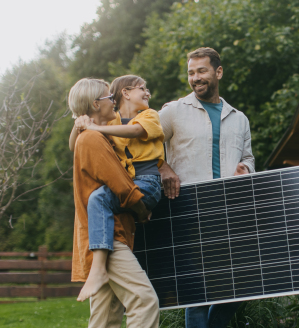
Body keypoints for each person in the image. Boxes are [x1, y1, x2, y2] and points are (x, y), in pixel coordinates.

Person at [159, 47, 255, 328]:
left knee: (244, 283)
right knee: (197, 292)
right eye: (191, 72)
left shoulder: (239, 118)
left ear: (218, 72)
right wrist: (163, 167)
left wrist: (245, 170)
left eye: (201, 71)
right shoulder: (173, 111)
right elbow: (142, 144)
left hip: (229, 210)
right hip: (188, 209)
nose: (195, 78)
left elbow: (248, 157)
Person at [68, 78, 159, 327]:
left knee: (105, 316)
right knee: (144, 301)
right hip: (109, 237)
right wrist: (141, 209)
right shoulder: (93, 140)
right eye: (109, 98)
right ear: (96, 105)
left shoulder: (97, 136)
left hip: (101, 236)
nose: (114, 102)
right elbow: (122, 187)